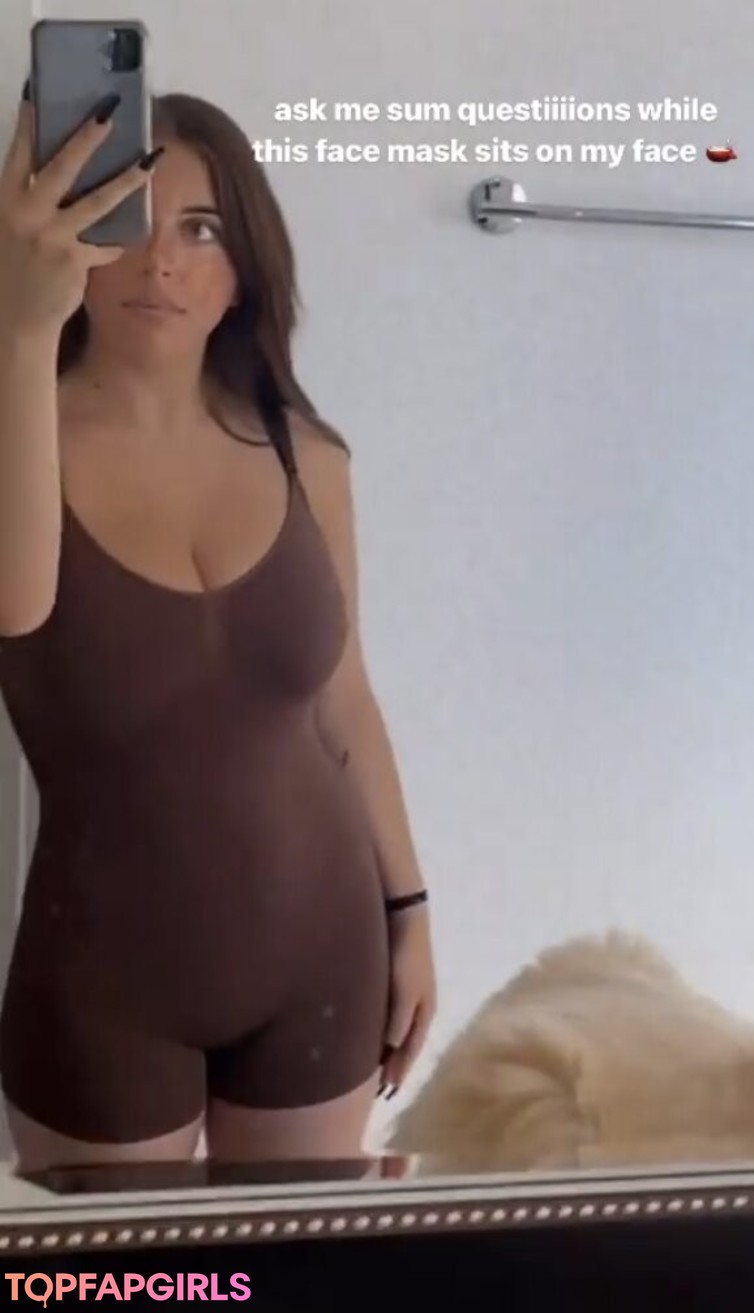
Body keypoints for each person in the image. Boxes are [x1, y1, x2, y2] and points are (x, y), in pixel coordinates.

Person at [0, 85, 436, 1172]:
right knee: (136, 1268)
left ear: (247, 263)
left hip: (324, 955)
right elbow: (16, 608)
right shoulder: (19, 435)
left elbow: (346, 701)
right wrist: (19, 325)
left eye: (202, 229)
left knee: (290, 1263)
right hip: (104, 981)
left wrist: (411, 908)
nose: (164, 261)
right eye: (130, 220)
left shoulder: (303, 452)